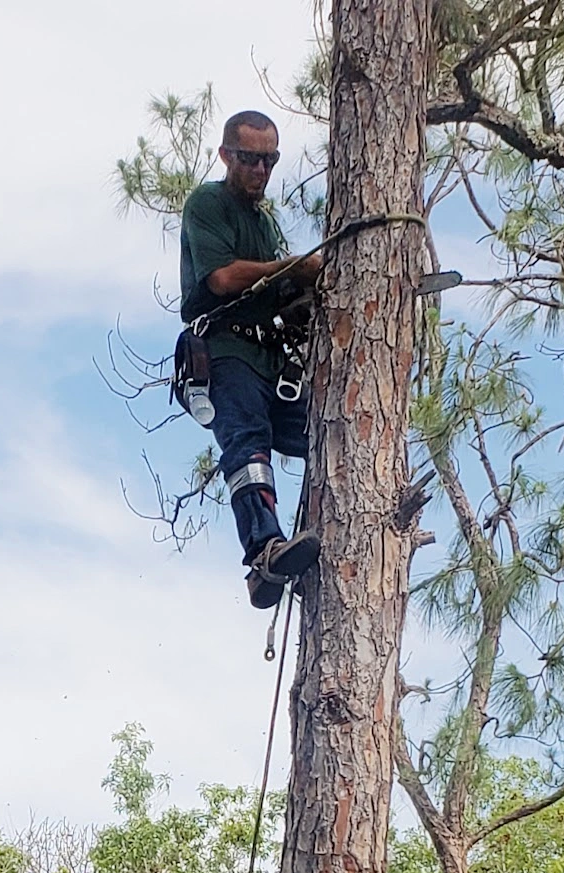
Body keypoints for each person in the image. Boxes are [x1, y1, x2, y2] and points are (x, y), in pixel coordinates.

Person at [180, 110, 322, 608]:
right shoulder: (208, 205)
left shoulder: (266, 224)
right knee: (248, 447)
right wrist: (295, 267)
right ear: (225, 155)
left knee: (324, 432)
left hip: (268, 360)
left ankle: (319, 535)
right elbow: (222, 278)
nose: (261, 170)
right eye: (250, 159)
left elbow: (276, 286)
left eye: (270, 160)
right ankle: (265, 555)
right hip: (225, 353)